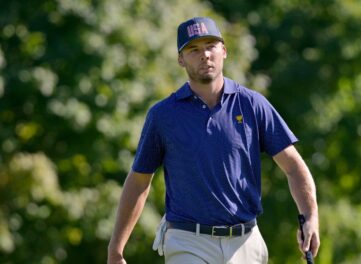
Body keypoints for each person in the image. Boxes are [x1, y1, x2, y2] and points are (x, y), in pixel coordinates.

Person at [107, 17, 320, 264]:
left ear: (224, 51)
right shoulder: (163, 115)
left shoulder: (252, 105)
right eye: (194, 49)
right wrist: (116, 249)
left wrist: (311, 216)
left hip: (246, 240)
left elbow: (293, 166)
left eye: (211, 46)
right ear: (181, 59)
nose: (205, 55)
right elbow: (139, 182)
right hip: (188, 241)